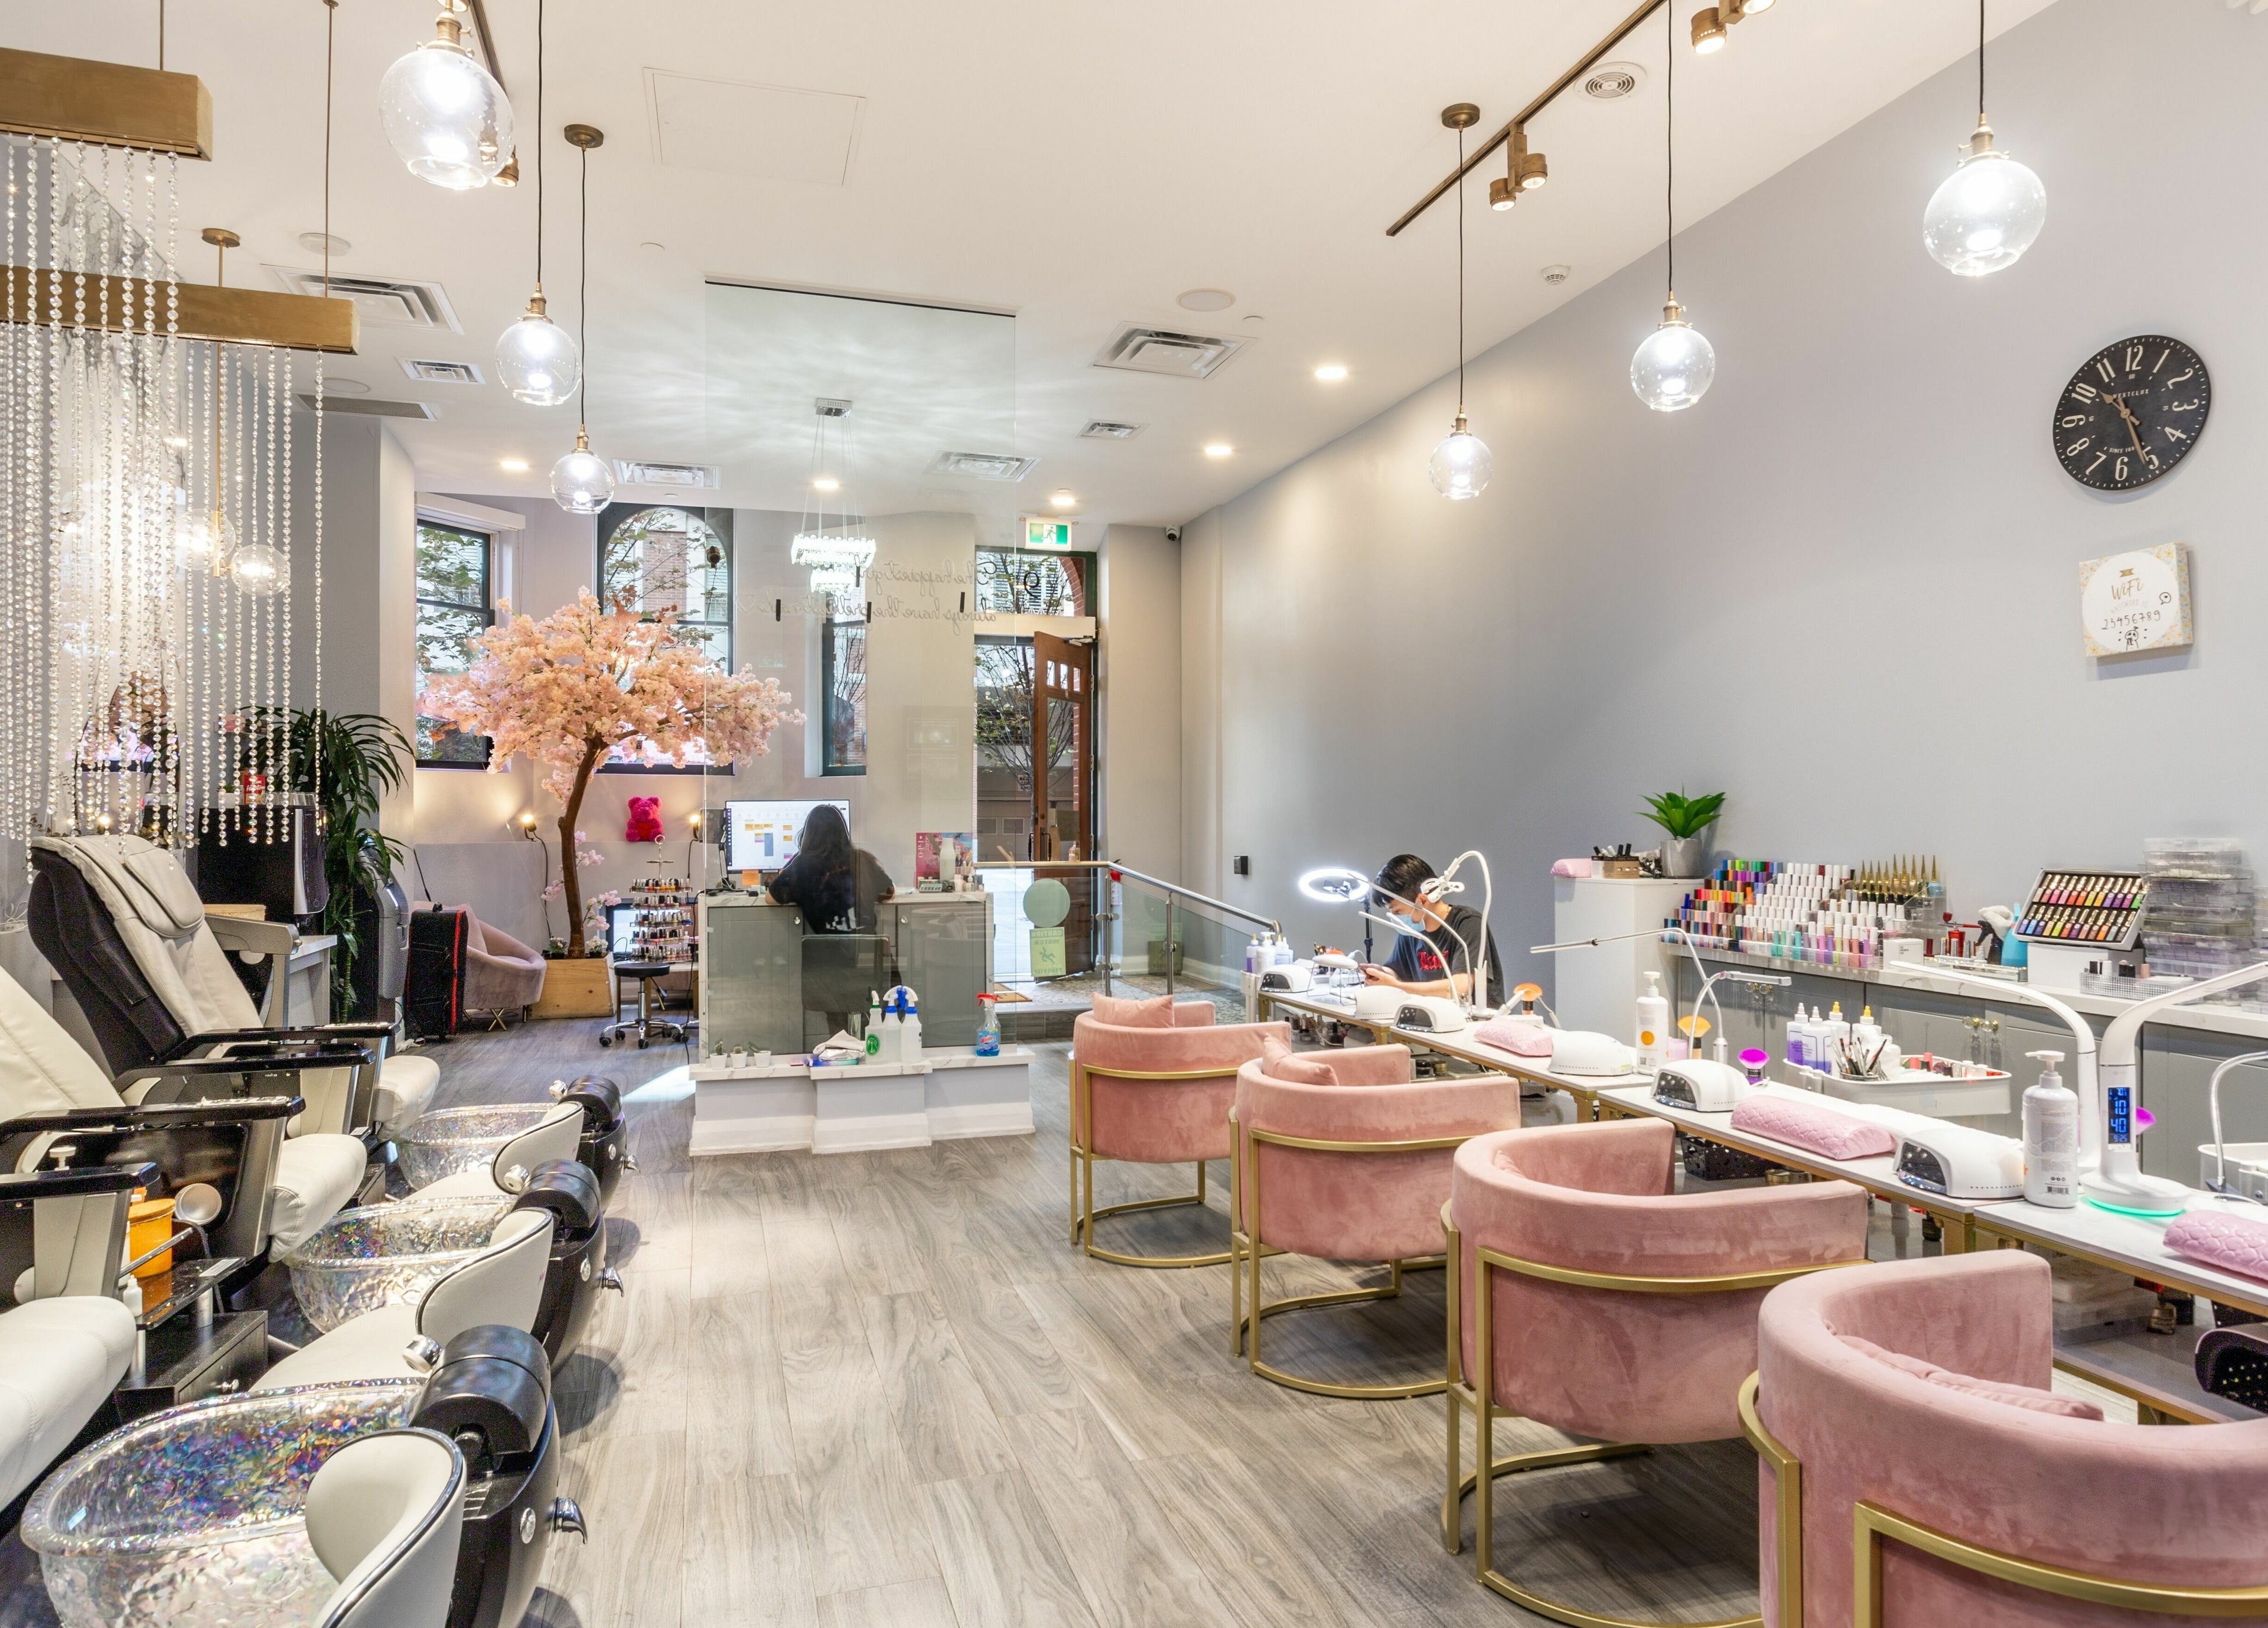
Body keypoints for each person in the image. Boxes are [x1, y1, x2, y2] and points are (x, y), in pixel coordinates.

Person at [1361, 852, 1504, 1007]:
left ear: (1422, 900)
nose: (1394, 917)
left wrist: (1397, 986)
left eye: (1397, 911)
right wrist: (1381, 973)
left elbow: (1459, 989)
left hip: (1475, 1024)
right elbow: (1397, 971)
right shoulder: (1412, 930)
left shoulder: (1467, 923)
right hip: (1434, 1020)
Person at [767, 805, 894, 932]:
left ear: (809, 835)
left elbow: (771, 897)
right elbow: (889, 891)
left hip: (825, 950)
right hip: (868, 949)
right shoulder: (862, 860)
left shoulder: (803, 866)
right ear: (842, 832)